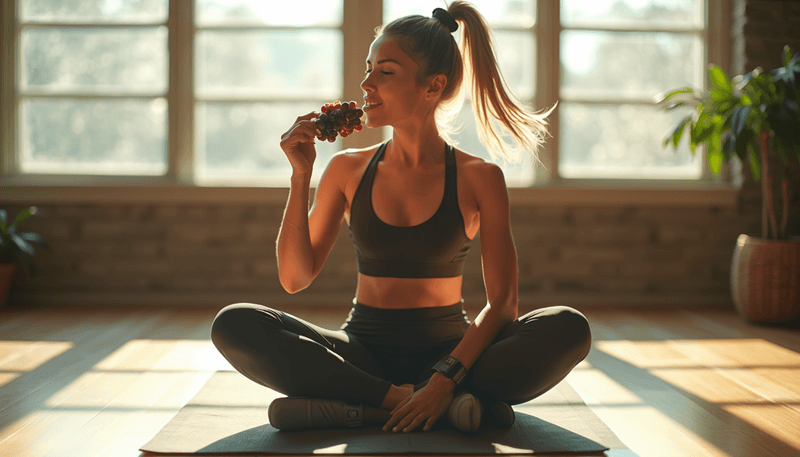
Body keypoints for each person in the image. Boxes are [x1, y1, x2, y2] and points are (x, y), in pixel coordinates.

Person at [211, 1, 591, 434]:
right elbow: (294, 278)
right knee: (235, 323)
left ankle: (374, 406)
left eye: (385, 71)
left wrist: (446, 376)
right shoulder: (346, 169)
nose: (365, 83)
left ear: (433, 86)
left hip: (452, 355)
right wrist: (300, 176)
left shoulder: (480, 177)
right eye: (368, 68)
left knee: (568, 327)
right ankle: (420, 404)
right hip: (362, 354)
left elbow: (503, 304)